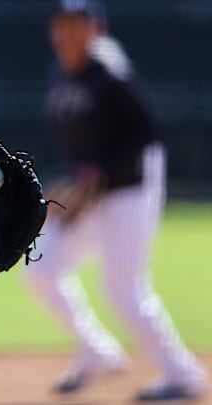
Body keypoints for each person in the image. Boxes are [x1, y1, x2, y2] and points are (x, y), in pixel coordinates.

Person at [23, 1, 208, 402]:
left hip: (130, 189)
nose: (69, 32)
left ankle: (184, 375)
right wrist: (75, 184)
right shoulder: (60, 74)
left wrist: (97, 174)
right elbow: (78, 145)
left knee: (123, 289)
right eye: (63, 24)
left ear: (96, 29)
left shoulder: (111, 73)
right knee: (41, 268)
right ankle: (97, 352)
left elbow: (144, 139)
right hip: (92, 191)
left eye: (78, 24)